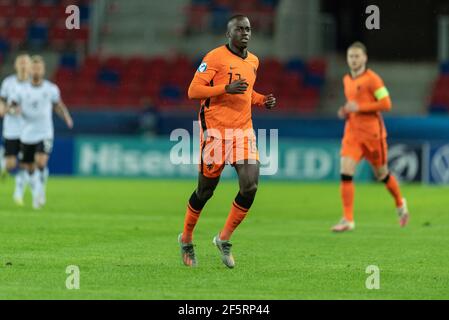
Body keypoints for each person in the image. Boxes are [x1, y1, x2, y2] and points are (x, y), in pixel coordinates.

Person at [178, 15, 276, 268]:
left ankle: (223, 238)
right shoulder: (214, 58)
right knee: (205, 191)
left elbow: (246, 92)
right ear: (228, 33)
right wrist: (224, 88)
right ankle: (186, 238)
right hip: (215, 133)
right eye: (239, 29)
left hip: (243, 133)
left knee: (250, 186)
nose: (245, 33)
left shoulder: (254, 61)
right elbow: (193, 91)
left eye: (248, 29)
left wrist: (261, 99)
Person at [331, 42, 409, 232]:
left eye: (357, 56)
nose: (354, 60)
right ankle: (348, 219)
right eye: (351, 56)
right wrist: (346, 111)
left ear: (365, 58)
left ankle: (400, 202)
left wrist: (360, 108)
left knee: (382, 174)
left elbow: (386, 103)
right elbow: (353, 104)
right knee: (345, 172)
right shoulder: (346, 80)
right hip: (352, 134)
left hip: (373, 135)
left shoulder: (373, 79)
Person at [10, 55, 73, 209]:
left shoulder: (50, 89)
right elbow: (12, 105)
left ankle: (40, 192)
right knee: (29, 167)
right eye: (34, 67)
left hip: (45, 132)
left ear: (43, 70)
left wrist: (66, 117)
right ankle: (36, 190)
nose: (36, 70)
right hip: (26, 134)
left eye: (39, 68)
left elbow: (58, 105)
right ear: (30, 70)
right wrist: (14, 110)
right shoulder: (21, 89)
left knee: (41, 162)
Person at [0, 54, 31, 205]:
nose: (24, 65)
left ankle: (18, 194)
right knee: (11, 164)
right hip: (11, 129)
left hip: (29, 130)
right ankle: (4, 167)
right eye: (21, 63)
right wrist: (6, 109)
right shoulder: (8, 83)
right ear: (16, 65)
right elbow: (2, 102)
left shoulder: (35, 84)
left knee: (25, 162)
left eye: (26, 63)